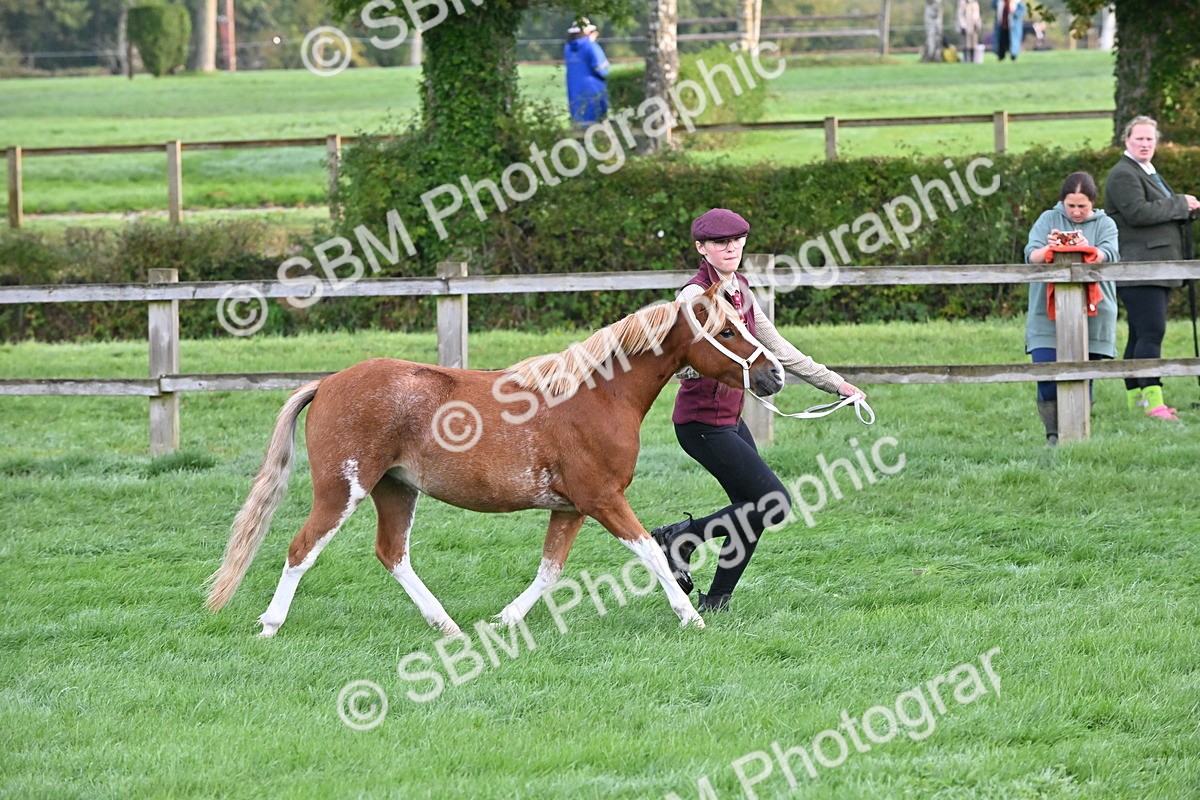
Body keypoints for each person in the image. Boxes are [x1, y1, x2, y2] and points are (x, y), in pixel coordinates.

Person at [651, 209, 866, 613]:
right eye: (719, 242)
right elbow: (674, 362)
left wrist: (835, 383)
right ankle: (680, 538)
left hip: (730, 419)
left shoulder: (741, 289)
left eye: (737, 239)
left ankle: (716, 602)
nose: (730, 246)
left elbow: (777, 348)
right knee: (773, 502)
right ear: (701, 249)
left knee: (751, 510)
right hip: (699, 422)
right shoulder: (692, 297)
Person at [1104, 115, 1200, 421]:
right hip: (1140, 267)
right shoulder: (1123, 174)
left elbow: (1157, 209)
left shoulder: (1147, 171)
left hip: (1156, 267)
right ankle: (1155, 402)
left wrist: (1184, 210)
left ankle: (1138, 401)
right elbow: (1137, 213)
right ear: (1126, 140)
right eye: (1139, 139)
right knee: (1152, 332)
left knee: (1139, 334)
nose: (1145, 144)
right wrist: (1180, 203)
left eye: (1150, 139)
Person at [1024, 172, 1120, 445]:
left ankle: (1077, 437)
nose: (1076, 212)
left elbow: (1109, 254)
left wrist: (1085, 249)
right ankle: (1053, 435)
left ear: (1093, 203)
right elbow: (1031, 254)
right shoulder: (1047, 219)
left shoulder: (1106, 224)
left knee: (1082, 377)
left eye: (1082, 206)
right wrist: (1051, 250)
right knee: (1045, 373)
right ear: (1062, 202)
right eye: (1071, 206)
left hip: (1094, 312)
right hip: (1046, 312)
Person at [563, 17, 609, 127]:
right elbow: (602, 69)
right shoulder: (590, 45)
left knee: (578, 117)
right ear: (586, 32)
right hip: (593, 88)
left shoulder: (568, 47)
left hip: (574, 88)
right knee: (594, 119)